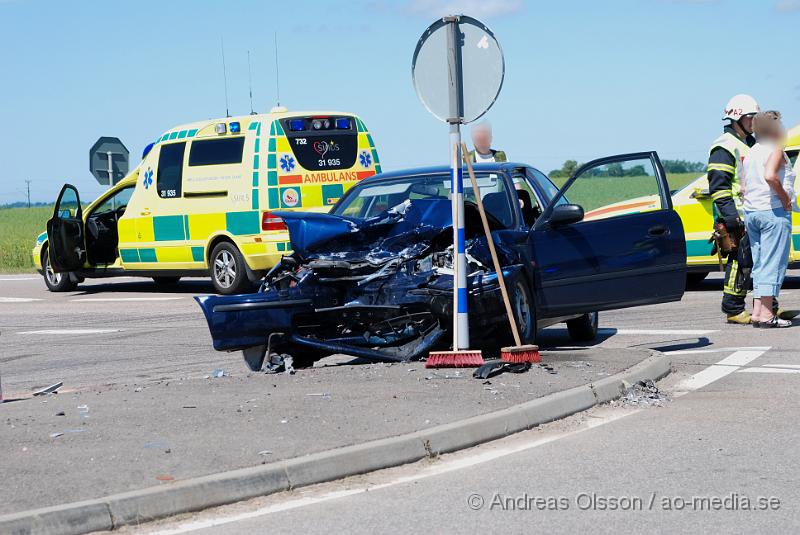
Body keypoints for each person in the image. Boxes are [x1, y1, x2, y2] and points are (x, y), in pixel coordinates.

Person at [707, 94, 760, 324]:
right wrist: (731, 218)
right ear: (737, 118)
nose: (754, 121)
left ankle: (765, 307)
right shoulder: (724, 146)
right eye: (751, 117)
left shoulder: (750, 143)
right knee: (740, 261)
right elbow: (718, 187)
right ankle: (733, 308)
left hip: (754, 211)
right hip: (736, 216)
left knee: (757, 262)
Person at [742, 111, 795, 328]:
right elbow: (770, 176)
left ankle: (757, 312)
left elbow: (744, 186)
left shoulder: (751, 152)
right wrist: (785, 199)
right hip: (772, 211)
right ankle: (765, 315)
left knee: (761, 262)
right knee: (774, 263)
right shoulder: (775, 150)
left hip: (752, 212)